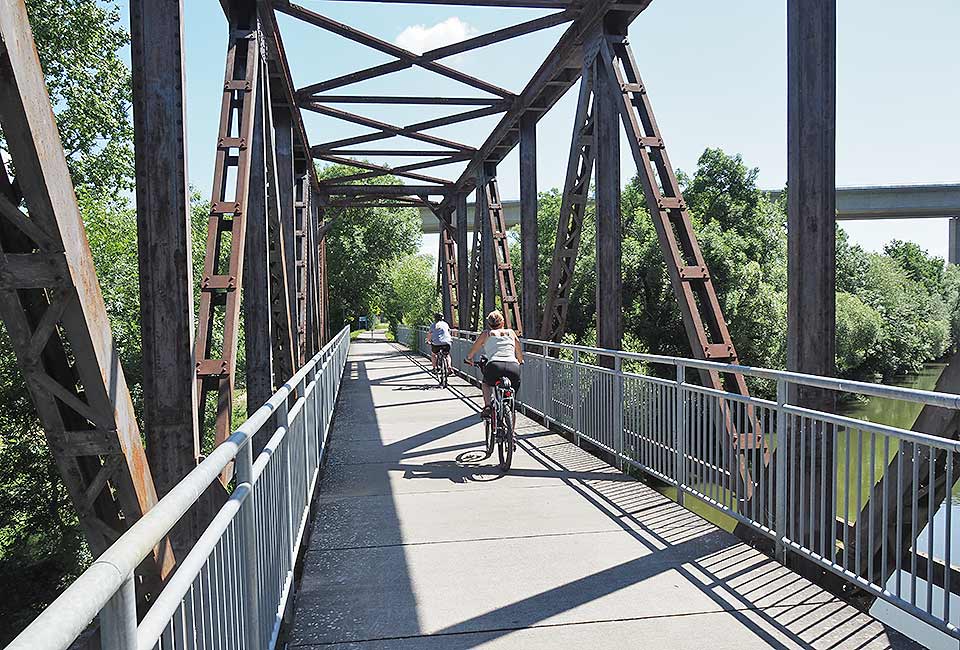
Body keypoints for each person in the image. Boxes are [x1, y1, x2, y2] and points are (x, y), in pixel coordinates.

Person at [466, 310, 523, 418]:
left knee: (486, 383)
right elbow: (518, 347)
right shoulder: (511, 332)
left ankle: (487, 406)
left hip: (494, 365)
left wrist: (469, 358)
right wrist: (520, 360)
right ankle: (512, 432)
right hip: (513, 367)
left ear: (489, 324)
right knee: (512, 405)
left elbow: (474, 349)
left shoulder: (486, 334)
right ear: (502, 323)